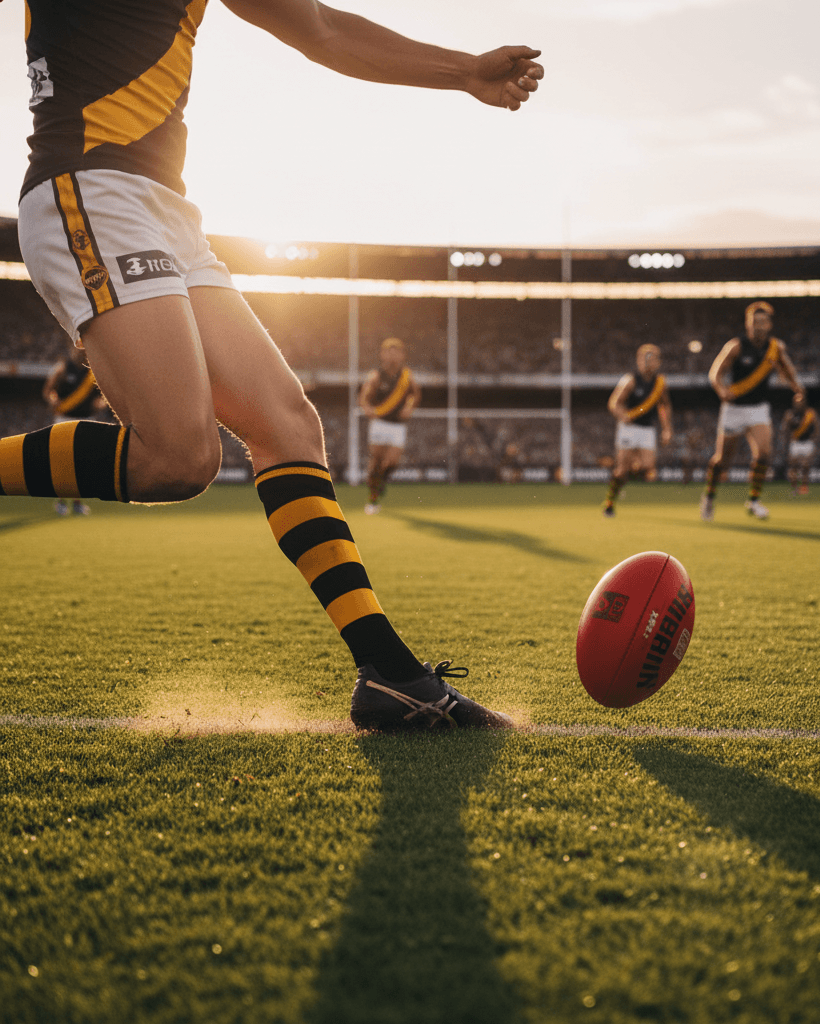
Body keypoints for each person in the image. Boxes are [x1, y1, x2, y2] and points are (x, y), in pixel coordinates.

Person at [4, 0, 544, 732]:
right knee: (176, 458)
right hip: (88, 186)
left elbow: (317, 27)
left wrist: (462, 72)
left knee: (288, 426)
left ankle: (390, 676)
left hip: (166, 208)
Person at [699, 301, 803, 521]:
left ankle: (754, 501)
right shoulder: (736, 346)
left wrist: (796, 388)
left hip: (758, 409)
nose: (759, 326)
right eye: (755, 322)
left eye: (763, 322)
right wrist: (721, 389)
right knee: (722, 461)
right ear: (748, 325)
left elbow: (787, 368)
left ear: (769, 325)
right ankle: (709, 496)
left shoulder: (775, 348)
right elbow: (715, 373)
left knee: (764, 453)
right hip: (734, 409)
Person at [602, 343, 673, 517]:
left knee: (648, 467)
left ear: (658, 362)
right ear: (639, 361)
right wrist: (623, 415)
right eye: (645, 359)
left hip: (647, 429)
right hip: (629, 428)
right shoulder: (631, 380)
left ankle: (629, 473)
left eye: (653, 359)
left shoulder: (660, 383)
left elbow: (664, 406)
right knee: (621, 470)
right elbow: (614, 403)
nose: (649, 362)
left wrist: (667, 429)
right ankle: (610, 502)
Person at [42, 345, 108, 515]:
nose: (80, 352)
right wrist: (53, 400)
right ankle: (62, 502)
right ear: (72, 351)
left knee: (82, 464)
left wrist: (100, 403)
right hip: (64, 419)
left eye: (83, 350)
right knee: (62, 462)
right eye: (77, 349)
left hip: (86, 420)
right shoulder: (62, 369)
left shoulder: (95, 372)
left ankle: (78, 503)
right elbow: (49, 390)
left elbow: (106, 395)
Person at [358, 338, 421, 515]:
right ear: (383, 354)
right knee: (376, 461)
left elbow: (415, 395)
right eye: (389, 351)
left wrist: (409, 407)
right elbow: (364, 397)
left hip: (398, 426)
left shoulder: (407, 376)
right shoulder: (376, 375)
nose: (393, 354)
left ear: (402, 354)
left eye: (396, 351)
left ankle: (381, 482)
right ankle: (372, 499)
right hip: (380, 424)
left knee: (392, 462)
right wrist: (367, 408)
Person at [779, 391, 818, 496]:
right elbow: (784, 428)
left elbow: (817, 428)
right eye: (796, 401)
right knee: (793, 467)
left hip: (807, 443)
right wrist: (785, 439)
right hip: (795, 443)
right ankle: (794, 488)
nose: (798, 403)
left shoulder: (810, 413)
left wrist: (814, 440)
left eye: (801, 401)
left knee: (805, 466)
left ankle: (804, 487)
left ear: (805, 402)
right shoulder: (789, 414)